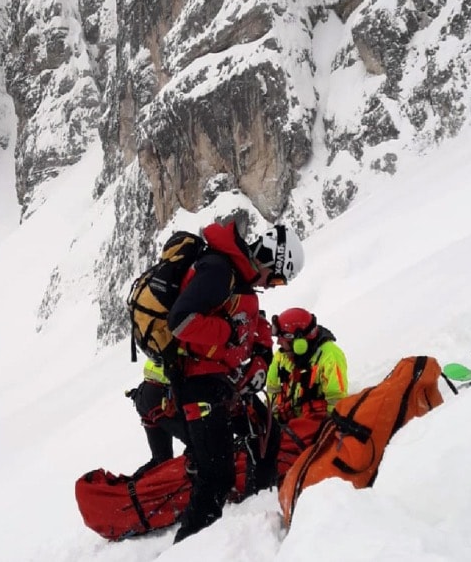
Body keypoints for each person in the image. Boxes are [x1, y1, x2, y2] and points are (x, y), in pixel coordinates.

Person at [166, 219, 304, 543]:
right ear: (272, 258)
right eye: (280, 278)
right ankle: (188, 548)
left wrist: (259, 359)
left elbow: (256, 329)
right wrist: (226, 335)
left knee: (266, 438)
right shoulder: (220, 271)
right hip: (197, 384)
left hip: (220, 384)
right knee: (216, 476)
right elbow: (180, 321)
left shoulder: (242, 282)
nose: (275, 285)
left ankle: (258, 513)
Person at [266, 307, 348, 424]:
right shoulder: (281, 356)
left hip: (315, 427)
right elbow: (272, 391)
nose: (278, 342)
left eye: (281, 338)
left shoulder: (330, 356)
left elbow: (336, 401)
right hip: (286, 426)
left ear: (299, 343)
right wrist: (271, 424)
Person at [125, 357, 189, 478]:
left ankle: (134, 485)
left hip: (148, 393)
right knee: (193, 438)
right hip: (158, 395)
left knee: (162, 459)